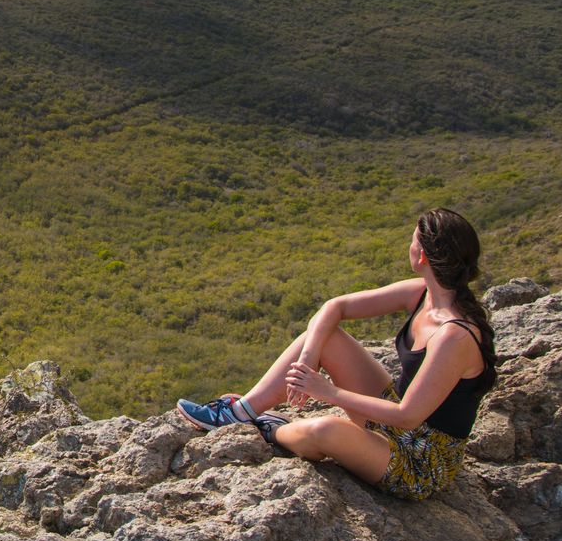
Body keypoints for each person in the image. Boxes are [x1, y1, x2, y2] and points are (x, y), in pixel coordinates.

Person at [172, 208, 497, 501]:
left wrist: (328, 392)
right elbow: (335, 307)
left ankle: (266, 427)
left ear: (423, 256)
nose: (408, 246)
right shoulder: (421, 294)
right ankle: (240, 411)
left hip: (421, 460)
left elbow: (408, 414)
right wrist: (308, 360)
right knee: (326, 336)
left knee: (324, 429)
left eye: (412, 241)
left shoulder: (454, 335)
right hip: (393, 423)